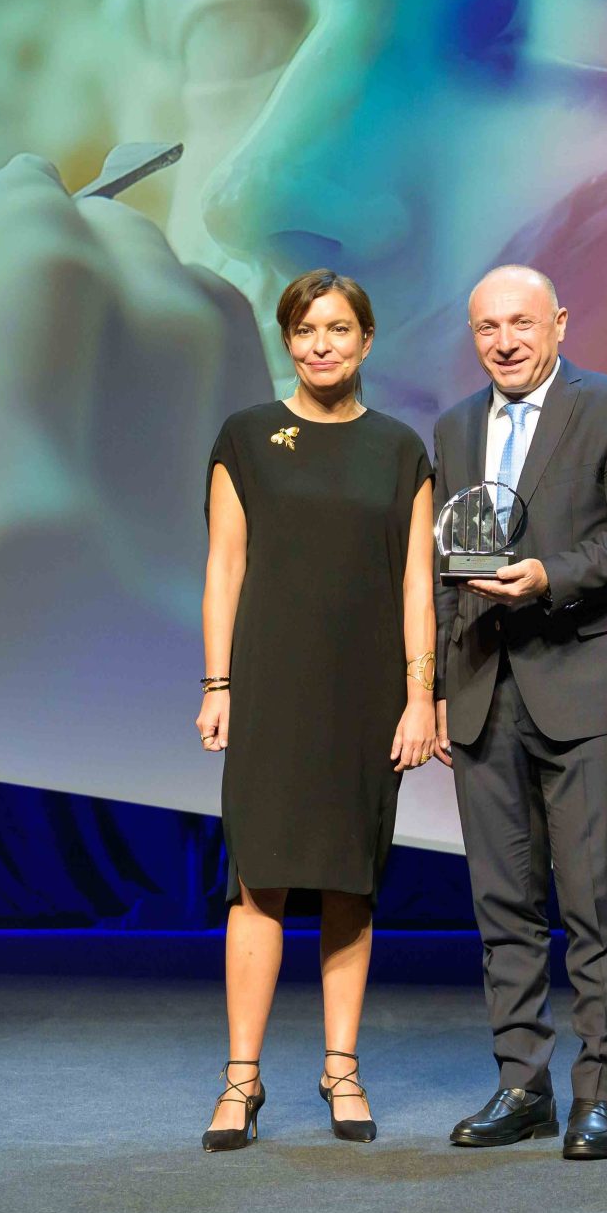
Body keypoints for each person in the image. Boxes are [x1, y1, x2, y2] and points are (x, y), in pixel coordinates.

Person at [196, 268, 439, 1150]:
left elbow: (418, 584)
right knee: (258, 880)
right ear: (287, 341)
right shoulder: (247, 437)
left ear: (366, 340)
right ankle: (241, 1080)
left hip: (367, 694)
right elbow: (225, 567)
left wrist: (422, 696)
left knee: (349, 882)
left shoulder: (402, 450)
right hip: (270, 687)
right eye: (304, 330)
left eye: (337, 329)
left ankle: (342, 1070)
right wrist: (218, 685)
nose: (321, 345)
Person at [433, 265, 607, 1160]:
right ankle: (520, 1086)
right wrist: (438, 687)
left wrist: (550, 576)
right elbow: (450, 564)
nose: (505, 342)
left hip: (586, 683)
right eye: (487, 328)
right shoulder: (456, 426)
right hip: (483, 689)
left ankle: (598, 1095)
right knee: (503, 905)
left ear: (560, 324)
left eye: (522, 324)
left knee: (596, 902)